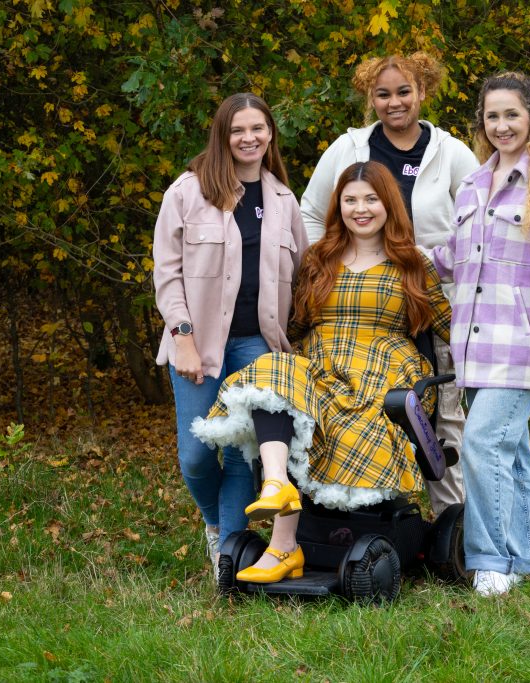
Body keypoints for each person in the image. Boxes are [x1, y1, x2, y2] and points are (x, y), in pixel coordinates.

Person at [191, 161, 452, 583]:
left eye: (371, 199)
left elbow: (450, 325)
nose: (360, 209)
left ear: (389, 205)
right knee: (276, 375)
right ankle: (278, 491)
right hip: (321, 364)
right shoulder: (319, 258)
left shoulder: (412, 264)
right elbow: (293, 326)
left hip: (382, 371)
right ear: (338, 206)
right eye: (351, 200)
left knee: (349, 421)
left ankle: (286, 545)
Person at [300, 51, 479, 516]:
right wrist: (337, 262)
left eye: (404, 91)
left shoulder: (451, 153)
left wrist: (433, 266)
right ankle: (347, 517)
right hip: (359, 300)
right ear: (370, 98)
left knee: (442, 421)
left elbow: (479, 225)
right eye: (383, 94)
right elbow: (311, 212)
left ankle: (453, 526)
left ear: (423, 92)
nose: (394, 102)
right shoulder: (349, 150)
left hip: (429, 294)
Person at [431, 72, 530, 596]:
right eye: (492, 116)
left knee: (481, 443)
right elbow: (454, 257)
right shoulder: (474, 185)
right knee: (510, 451)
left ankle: (491, 561)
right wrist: (400, 259)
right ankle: (529, 558)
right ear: (482, 122)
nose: (502, 125)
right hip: (474, 344)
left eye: (511, 115)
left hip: (523, 343)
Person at [152, 93, 308, 580]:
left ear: (270, 133)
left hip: (259, 346)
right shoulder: (187, 192)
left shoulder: (282, 200)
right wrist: (182, 337)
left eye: (257, 128)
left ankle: (229, 556)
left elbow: (304, 273)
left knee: (244, 454)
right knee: (196, 455)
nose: (249, 138)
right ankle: (215, 522)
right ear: (222, 135)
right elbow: (166, 274)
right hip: (198, 345)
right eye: (238, 130)